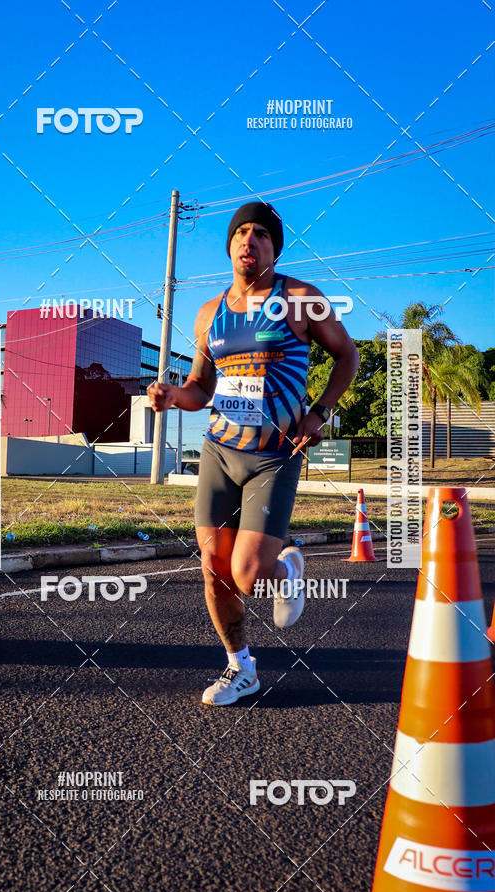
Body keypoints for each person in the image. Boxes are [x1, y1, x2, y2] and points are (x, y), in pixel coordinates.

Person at [147, 201, 359, 706]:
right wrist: (174, 395)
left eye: (260, 234)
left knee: (245, 573)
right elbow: (200, 386)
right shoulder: (209, 312)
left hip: (274, 454)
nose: (249, 240)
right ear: (229, 244)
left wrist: (321, 411)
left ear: (274, 247)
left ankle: (287, 568)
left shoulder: (301, 298)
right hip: (220, 452)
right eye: (240, 232)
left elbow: (347, 356)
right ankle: (241, 667)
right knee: (213, 566)